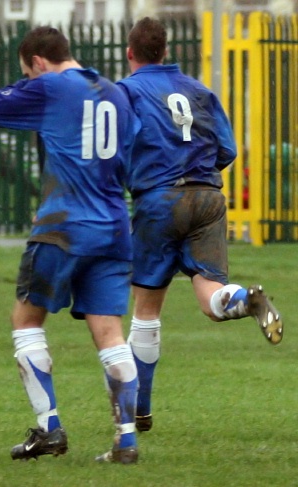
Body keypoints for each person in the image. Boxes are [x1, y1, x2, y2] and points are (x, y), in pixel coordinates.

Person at [0, 26, 141, 464]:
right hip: (113, 226)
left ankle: (50, 428)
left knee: (26, 319)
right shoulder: (115, 92)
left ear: (37, 62)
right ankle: (126, 440)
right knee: (109, 331)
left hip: (64, 224)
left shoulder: (50, 86)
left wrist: (30, 85)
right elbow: (130, 152)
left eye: (28, 72)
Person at [117, 17, 283, 433]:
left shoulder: (127, 92)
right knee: (209, 292)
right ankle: (245, 299)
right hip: (208, 196)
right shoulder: (199, 90)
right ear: (166, 51)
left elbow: (115, 150)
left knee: (147, 309)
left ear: (130, 53)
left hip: (160, 198)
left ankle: (141, 409)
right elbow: (226, 148)